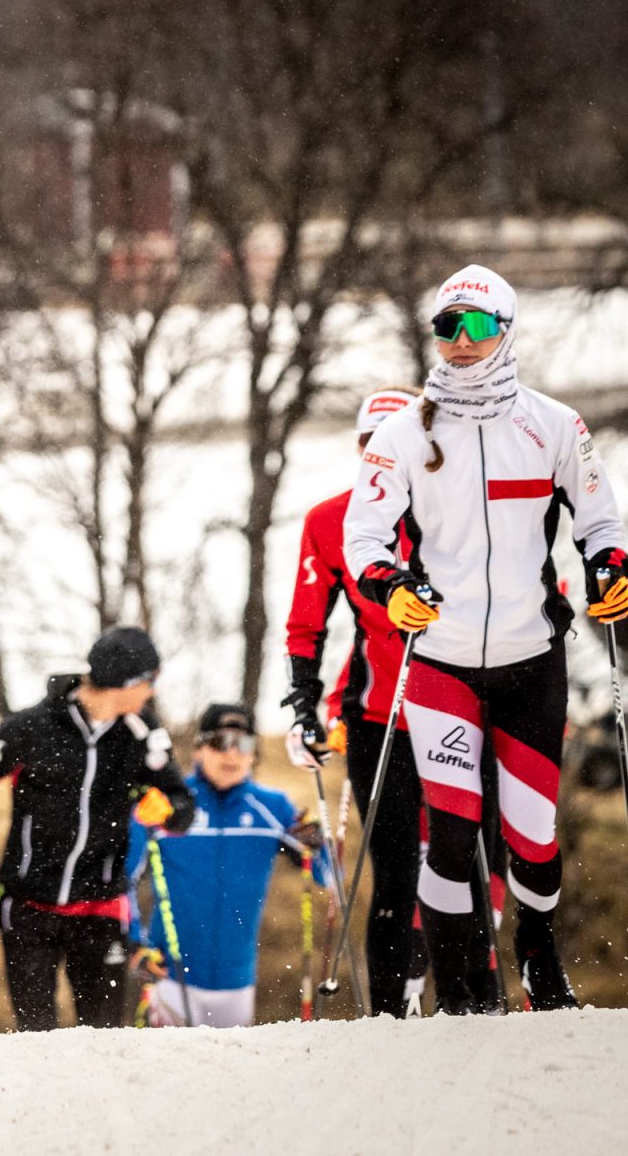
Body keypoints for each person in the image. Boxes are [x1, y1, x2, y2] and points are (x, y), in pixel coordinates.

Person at [344, 264, 627, 1014]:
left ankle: (537, 952)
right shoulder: (405, 433)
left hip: (530, 656)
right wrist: (390, 587)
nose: (460, 343)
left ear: (505, 331)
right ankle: (465, 987)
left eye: (475, 328)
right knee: (453, 825)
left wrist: (608, 566)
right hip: (440, 660)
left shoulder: (555, 425)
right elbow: (364, 535)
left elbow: (601, 520)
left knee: (531, 836)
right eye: (446, 327)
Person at [0, 626, 194, 1032]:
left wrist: (167, 808)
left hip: (100, 910)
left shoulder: (142, 733)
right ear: (126, 682)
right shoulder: (33, 728)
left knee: (103, 1041)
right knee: (36, 1040)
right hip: (29, 909)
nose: (151, 693)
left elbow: (184, 807)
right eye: (150, 681)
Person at [282, 385, 431, 1016]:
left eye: (392, 442)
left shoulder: (450, 511)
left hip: (461, 706)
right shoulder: (331, 520)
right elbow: (307, 623)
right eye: (369, 443)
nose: (380, 455)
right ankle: (392, 1012)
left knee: (463, 863)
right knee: (397, 873)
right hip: (377, 718)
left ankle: (473, 1001)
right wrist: (303, 703)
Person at [127, 703, 322, 1028]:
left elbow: (328, 875)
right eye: (220, 743)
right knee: (163, 1075)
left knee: (229, 1075)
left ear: (254, 753)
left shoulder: (272, 808)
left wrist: (319, 843)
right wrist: (135, 943)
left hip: (237, 983)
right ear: (199, 748)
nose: (231, 755)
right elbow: (124, 879)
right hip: (170, 979)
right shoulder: (168, 805)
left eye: (243, 744)